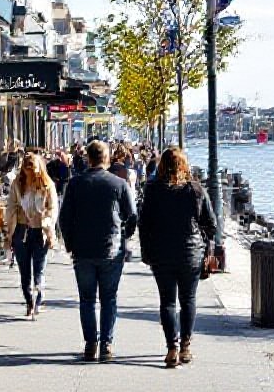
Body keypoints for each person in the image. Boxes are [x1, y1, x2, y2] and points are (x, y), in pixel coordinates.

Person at [58, 140, 138, 362]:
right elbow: (132, 216)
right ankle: (106, 344)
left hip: (82, 249)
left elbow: (64, 218)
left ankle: (90, 344)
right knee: (108, 298)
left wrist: (70, 243)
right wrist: (124, 237)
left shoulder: (75, 184)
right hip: (110, 248)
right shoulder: (118, 184)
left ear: (88, 158)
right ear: (107, 158)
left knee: (87, 299)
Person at [138, 147, 217, 368]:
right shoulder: (195, 190)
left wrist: (146, 251)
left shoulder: (153, 190)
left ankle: (171, 348)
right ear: (184, 165)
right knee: (188, 299)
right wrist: (204, 244)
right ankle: (185, 346)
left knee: (167, 301)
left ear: (162, 165)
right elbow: (211, 224)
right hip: (190, 253)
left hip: (161, 252)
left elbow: (144, 224)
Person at [5, 152, 59, 318]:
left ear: (39, 168)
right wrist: (9, 229)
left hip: (40, 231)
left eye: (33, 169)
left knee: (39, 270)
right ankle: (29, 301)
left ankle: (38, 300)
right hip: (21, 230)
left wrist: (46, 221)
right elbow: (11, 205)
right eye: (27, 169)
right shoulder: (17, 184)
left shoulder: (47, 185)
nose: (30, 173)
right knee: (24, 271)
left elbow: (53, 208)